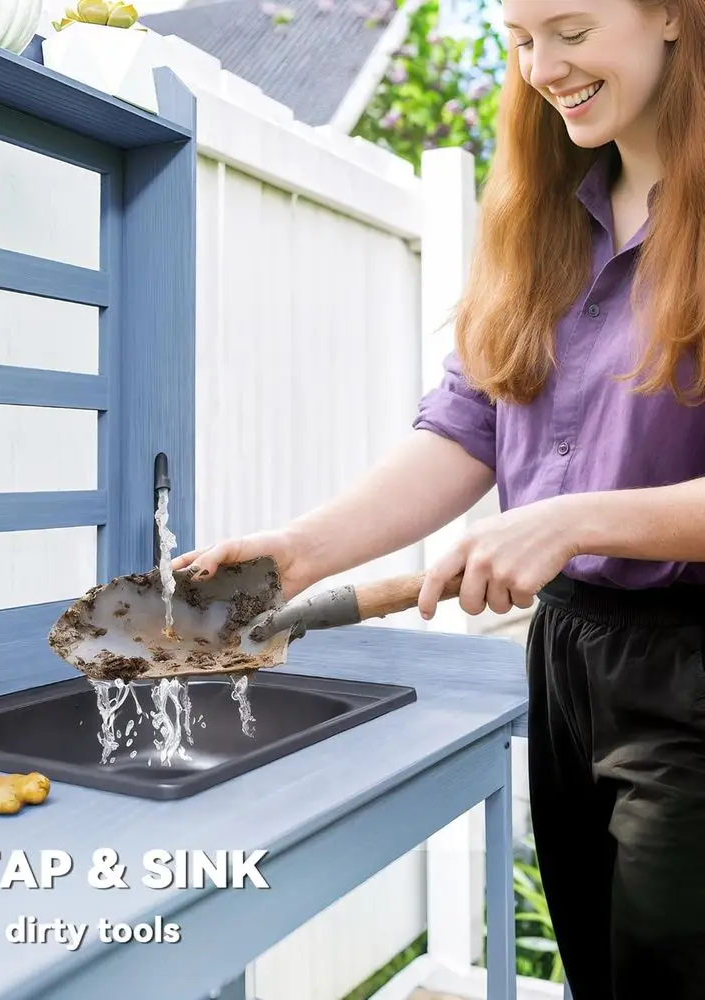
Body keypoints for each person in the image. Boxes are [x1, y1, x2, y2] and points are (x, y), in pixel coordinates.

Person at [173, 2, 705, 997]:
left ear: (672, 15)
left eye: (571, 31)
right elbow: (468, 427)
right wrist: (300, 551)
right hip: (571, 656)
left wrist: (574, 518)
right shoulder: (544, 215)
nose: (543, 68)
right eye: (520, 41)